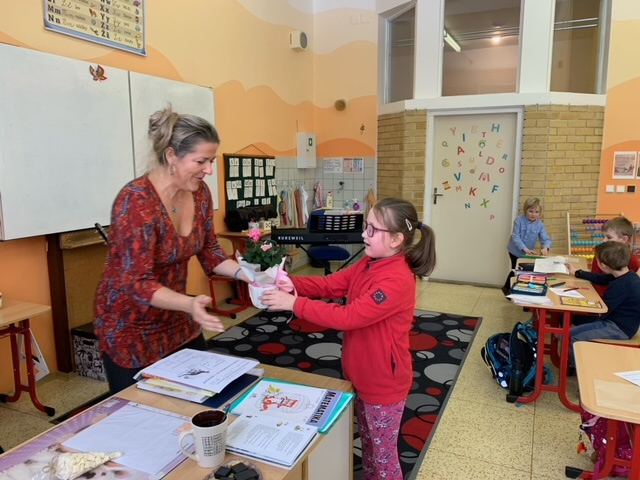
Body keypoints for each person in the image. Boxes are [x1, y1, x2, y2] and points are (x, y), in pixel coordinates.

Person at [260, 198, 436, 480]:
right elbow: (332, 284)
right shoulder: (369, 262)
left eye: (372, 229)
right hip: (361, 374)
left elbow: (349, 317)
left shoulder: (396, 280)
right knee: (368, 447)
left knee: (383, 458)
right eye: (366, 226)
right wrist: (293, 284)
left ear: (396, 239)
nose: (364, 234)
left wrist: (294, 303)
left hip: (383, 383)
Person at [93, 107, 250, 394]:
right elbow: (136, 283)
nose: (209, 170)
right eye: (201, 161)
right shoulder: (136, 201)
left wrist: (249, 275)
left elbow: (210, 251)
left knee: (200, 393)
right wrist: (189, 304)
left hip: (175, 315)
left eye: (211, 161)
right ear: (171, 156)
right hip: (130, 325)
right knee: (140, 408)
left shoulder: (200, 194)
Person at [567, 241, 640, 367]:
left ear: (604, 266)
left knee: (571, 336)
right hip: (618, 321)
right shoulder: (627, 275)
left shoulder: (619, 286)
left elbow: (601, 311)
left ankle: (581, 370)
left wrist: (580, 305)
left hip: (618, 328)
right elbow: (600, 278)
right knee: (572, 325)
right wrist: (578, 273)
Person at [567, 216, 639, 297]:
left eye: (609, 237)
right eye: (603, 236)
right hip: (595, 294)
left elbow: (624, 288)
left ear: (624, 239)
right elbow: (597, 278)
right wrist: (578, 273)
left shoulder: (633, 262)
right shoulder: (601, 254)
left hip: (609, 298)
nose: (604, 240)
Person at [501, 197, 551, 295]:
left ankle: (514, 289)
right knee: (516, 270)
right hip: (514, 250)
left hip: (526, 253)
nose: (533, 214)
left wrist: (545, 247)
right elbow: (515, 237)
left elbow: (545, 239)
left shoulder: (540, 225)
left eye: (536, 212)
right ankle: (508, 289)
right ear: (525, 210)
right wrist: (526, 249)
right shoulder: (518, 220)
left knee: (522, 271)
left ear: (540, 213)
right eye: (531, 211)